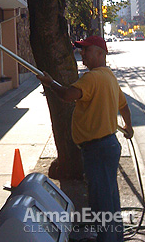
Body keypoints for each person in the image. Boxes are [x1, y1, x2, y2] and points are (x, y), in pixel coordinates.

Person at [37, 35, 133, 242]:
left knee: (101, 201)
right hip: (107, 145)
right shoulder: (109, 77)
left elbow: (66, 95)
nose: (83, 55)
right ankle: (114, 237)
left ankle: (108, 239)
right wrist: (128, 127)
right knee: (110, 197)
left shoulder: (93, 78)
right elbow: (123, 106)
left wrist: (49, 82)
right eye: (82, 50)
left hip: (97, 148)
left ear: (100, 53)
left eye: (86, 50)